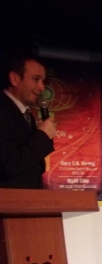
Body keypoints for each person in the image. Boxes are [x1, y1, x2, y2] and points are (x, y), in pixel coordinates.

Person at [0, 52, 56, 189]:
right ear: (14, 78)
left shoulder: (26, 114)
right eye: (36, 79)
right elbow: (7, 165)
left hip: (28, 199)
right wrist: (42, 135)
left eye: (42, 81)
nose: (42, 87)